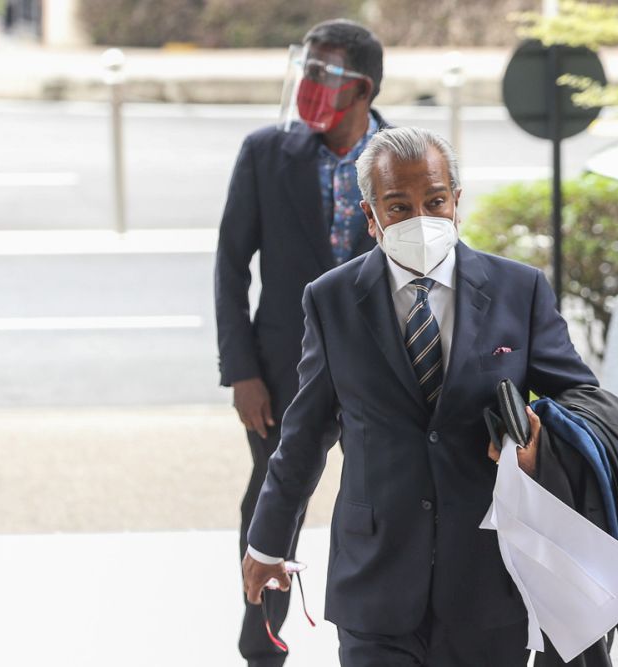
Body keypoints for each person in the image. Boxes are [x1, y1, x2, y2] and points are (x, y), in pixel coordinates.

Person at [241, 127, 598, 666]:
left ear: (456, 200)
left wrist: (539, 440)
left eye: (434, 201)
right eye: (398, 206)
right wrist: (267, 542)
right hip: (375, 580)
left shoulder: (518, 290)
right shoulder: (331, 300)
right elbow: (306, 433)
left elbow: (581, 400)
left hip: (489, 578)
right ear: (371, 216)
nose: (421, 219)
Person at [214, 18, 387, 667]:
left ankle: (381, 635)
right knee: (271, 498)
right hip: (281, 372)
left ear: (361, 88)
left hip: (378, 374)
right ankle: (263, 643)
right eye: (305, 68)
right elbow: (231, 266)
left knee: (385, 501)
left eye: (322, 73)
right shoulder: (266, 152)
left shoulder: (401, 156)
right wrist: (241, 371)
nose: (306, 84)